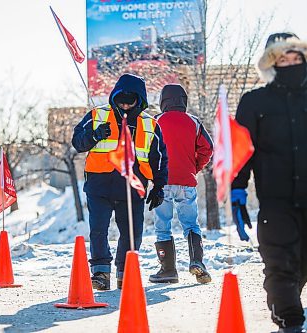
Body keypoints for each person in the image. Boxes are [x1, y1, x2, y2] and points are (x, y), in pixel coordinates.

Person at [231, 32, 307, 333]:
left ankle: (282, 296)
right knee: (280, 260)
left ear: (305, 59)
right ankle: (290, 320)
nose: (290, 62)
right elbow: (241, 151)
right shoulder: (254, 101)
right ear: (272, 62)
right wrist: (237, 190)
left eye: (296, 57)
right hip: (274, 201)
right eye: (283, 58)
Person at [71, 73, 168, 290]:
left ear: (139, 100)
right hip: (99, 186)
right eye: (120, 99)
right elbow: (77, 142)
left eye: (130, 100)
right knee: (98, 229)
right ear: (114, 96)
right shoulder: (97, 116)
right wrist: (95, 135)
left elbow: (159, 157)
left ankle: (125, 273)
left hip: (132, 189)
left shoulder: (150, 124)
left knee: (132, 232)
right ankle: (101, 273)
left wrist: (159, 186)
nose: (124, 104)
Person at [148, 84, 213, 284]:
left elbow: (144, 150)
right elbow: (208, 148)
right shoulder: (194, 122)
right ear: (184, 100)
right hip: (186, 181)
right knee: (191, 224)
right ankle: (197, 261)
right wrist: (194, 167)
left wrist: (151, 173)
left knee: (163, 227)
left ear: (163, 101)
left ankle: (168, 270)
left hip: (162, 182)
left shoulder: (155, 122)